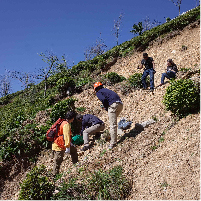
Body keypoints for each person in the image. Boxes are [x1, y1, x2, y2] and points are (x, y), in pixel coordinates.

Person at [94, 82, 123, 150]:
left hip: (113, 106)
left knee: (113, 125)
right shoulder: (107, 90)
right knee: (114, 122)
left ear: (96, 89)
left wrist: (106, 108)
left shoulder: (98, 92)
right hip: (120, 105)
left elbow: (103, 99)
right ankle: (117, 134)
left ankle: (113, 143)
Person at [52, 111, 78, 176]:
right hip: (60, 145)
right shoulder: (66, 124)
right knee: (58, 161)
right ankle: (54, 175)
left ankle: (76, 165)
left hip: (59, 143)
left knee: (74, 150)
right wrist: (67, 146)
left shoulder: (62, 122)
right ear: (72, 118)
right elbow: (66, 136)